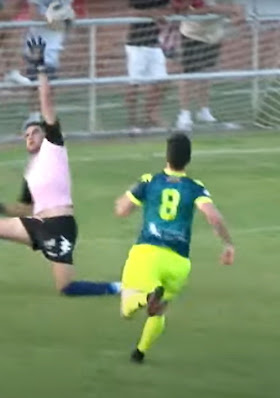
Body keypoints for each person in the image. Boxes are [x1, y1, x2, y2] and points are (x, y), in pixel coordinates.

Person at [0, 37, 121, 342]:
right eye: (27, 134)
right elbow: (23, 209)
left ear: (45, 134)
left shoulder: (54, 147)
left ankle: (123, 288)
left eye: (35, 131)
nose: (31, 136)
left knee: (67, 288)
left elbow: (46, 101)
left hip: (59, 226)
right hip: (40, 224)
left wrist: (40, 66)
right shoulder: (30, 170)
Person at [114, 132, 235, 363]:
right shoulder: (195, 187)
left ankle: (145, 298)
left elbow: (122, 210)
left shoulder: (151, 181)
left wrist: (130, 194)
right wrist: (228, 244)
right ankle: (139, 352)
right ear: (187, 159)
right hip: (178, 262)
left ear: (166, 156)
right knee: (160, 309)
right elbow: (213, 217)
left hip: (148, 253)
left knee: (127, 306)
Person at [174, 0, 244, 131]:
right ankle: (184, 113)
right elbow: (190, 11)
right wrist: (219, 10)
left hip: (213, 35)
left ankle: (203, 110)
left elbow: (237, 9)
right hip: (193, 34)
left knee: (206, 74)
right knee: (188, 75)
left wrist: (237, 15)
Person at [125, 0, 172, 132]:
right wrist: (154, 15)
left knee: (162, 82)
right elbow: (132, 13)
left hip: (154, 43)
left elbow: (169, 8)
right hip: (136, 44)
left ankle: (149, 115)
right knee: (134, 83)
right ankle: (132, 121)